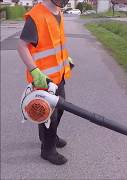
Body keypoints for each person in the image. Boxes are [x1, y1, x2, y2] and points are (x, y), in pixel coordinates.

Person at [17, 0, 74, 165]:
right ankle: (47, 150)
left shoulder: (58, 11)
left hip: (59, 76)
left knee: (61, 109)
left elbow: (56, 44)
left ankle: (49, 137)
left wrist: (66, 59)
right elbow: (21, 46)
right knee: (50, 115)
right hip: (44, 79)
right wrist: (35, 71)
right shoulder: (36, 16)